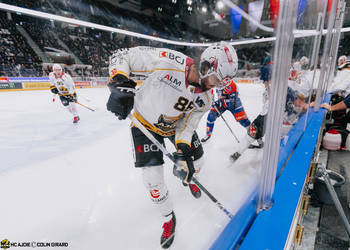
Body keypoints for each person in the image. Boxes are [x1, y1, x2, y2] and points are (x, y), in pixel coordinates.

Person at [106, 43, 238, 249]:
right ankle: (168, 218)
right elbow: (122, 55)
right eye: (216, 80)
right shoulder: (169, 61)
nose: (215, 87)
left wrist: (182, 151)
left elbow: (187, 126)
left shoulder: (205, 98)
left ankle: (189, 178)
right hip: (144, 125)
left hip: (172, 127)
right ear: (206, 67)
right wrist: (119, 82)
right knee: (152, 180)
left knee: (198, 161)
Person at [230, 59, 309, 162]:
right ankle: (238, 153)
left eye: (265, 81)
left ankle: (238, 154)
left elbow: (297, 101)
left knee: (257, 134)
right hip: (269, 116)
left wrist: (305, 105)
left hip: (274, 118)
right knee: (254, 133)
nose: (265, 84)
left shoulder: (285, 88)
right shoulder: (283, 87)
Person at [200, 78, 251, 143]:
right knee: (211, 116)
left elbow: (232, 103)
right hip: (221, 102)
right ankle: (208, 134)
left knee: (244, 121)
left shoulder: (232, 85)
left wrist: (220, 102)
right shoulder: (216, 79)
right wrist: (211, 98)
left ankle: (255, 137)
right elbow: (210, 90)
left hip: (234, 104)